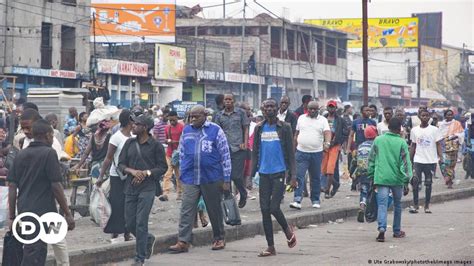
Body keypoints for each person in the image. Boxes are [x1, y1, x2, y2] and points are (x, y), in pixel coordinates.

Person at [7, 119, 75, 265]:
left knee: (34, 248)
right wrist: (68, 213)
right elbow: (56, 186)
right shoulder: (49, 153)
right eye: (51, 136)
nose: (52, 139)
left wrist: (12, 216)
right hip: (46, 211)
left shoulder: (20, 155)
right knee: (35, 252)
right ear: (47, 135)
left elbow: (12, 187)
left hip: (25, 210)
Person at [168, 105, 231, 253]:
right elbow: (182, 152)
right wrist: (182, 172)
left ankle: (219, 238)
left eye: (196, 116)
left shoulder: (216, 130)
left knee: (214, 209)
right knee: (186, 209)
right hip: (190, 177)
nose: (193, 119)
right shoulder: (187, 130)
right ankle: (183, 241)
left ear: (205, 115)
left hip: (211, 177)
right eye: (191, 116)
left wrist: (227, 179)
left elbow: (225, 155)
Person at [118, 114, 167, 264]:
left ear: (145, 127)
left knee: (141, 222)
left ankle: (140, 258)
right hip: (130, 188)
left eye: (136, 124)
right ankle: (148, 239)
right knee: (129, 223)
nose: (133, 126)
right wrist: (132, 172)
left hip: (148, 188)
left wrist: (146, 173)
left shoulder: (156, 145)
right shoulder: (129, 143)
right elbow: (120, 164)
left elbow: (162, 167)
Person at [251, 98, 297, 257]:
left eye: (272, 106)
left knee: (274, 207)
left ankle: (286, 229)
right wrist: (250, 176)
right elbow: (255, 153)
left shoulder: (285, 127)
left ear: (277, 109)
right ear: (262, 110)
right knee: (264, 210)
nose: (269, 109)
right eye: (266, 107)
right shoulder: (258, 128)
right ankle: (271, 246)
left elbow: (291, 153)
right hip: (264, 173)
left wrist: (293, 176)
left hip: (279, 172)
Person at [368, 118, 412, 242]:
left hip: (381, 178)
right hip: (397, 179)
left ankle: (382, 228)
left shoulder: (378, 140)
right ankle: (397, 230)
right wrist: (406, 181)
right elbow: (405, 164)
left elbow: (371, 159)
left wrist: (371, 175)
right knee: (397, 205)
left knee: (382, 204)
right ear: (399, 129)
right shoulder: (401, 142)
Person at [96, 110, 133, 241]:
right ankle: (115, 232)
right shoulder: (116, 137)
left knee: (129, 204)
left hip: (130, 174)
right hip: (117, 175)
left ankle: (127, 231)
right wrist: (101, 176)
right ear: (129, 121)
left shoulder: (134, 136)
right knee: (117, 204)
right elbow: (108, 158)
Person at [290, 101, 331, 209]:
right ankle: (297, 199)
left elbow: (327, 133)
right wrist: (293, 149)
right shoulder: (301, 118)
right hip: (301, 152)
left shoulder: (323, 120)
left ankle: (315, 200)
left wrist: (327, 143)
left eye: (314, 109)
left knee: (315, 177)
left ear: (318, 110)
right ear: (307, 109)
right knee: (299, 176)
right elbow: (296, 134)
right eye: (310, 109)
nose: (312, 111)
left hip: (316, 153)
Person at [214, 94, 249, 208]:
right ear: (223, 102)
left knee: (236, 176)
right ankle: (229, 201)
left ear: (234, 101)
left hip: (238, 148)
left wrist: (245, 142)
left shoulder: (241, 113)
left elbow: (246, 128)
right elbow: (216, 132)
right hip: (224, 150)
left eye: (230, 99)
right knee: (225, 177)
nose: (228, 101)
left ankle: (243, 193)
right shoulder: (219, 115)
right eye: (226, 100)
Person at [409, 109, 443, 214]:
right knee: (415, 182)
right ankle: (415, 205)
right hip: (418, 160)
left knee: (428, 183)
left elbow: (438, 144)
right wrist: (410, 159)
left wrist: (440, 156)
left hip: (430, 160)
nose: (425, 117)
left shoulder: (434, 130)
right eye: (423, 115)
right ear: (419, 116)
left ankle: (427, 205)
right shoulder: (414, 130)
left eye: (427, 116)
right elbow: (413, 145)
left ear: (429, 117)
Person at [346, 105, 377, 191]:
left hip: (370, 147)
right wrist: (348, 148)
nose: (368, 112)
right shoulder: (356, 122)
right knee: (354, 165)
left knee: (366, 166)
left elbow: (376, 135)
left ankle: (365, 184)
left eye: (369, 110)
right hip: (357, 147)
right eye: (366, 110)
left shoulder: (372, 122)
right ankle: (354, 182)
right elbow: (351, 135)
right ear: (361, 111)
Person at [71, 118, 112, 182]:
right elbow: (110, 156)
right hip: (106, 168)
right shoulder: (110, 137)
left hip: (94, 167)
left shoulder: (93, 137)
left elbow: (86, 153)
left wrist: (78, 165)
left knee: (96, 188)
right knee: (104, 189)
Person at [353, 125, 377, 223]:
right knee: (373, 192)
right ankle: (371, 212)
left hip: (362, 172)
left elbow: (356, 160)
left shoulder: (361, 146)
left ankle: (362, 206)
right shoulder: (376, 145)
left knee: (364, 191)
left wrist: (355, 172)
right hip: (372, 172)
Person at [322, 100, 345, 198]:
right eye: (330, 107)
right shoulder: (323, 119)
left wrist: (339, 142)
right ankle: (335, 184)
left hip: (334, 146)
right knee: (323, 169)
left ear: (336, 108)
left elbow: (345, 133)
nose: (331, 108)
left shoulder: (340, 120)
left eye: (333, 107)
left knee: (330, 168)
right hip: (324, 145)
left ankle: (327, 190)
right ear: (327, 108)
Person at [160, 110, 185, 201]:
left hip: (179, 154)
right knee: (167, 174)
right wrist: (167, 141)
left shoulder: (182, 127)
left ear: (176, 117)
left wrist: (175, 142)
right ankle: (165, 193)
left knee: (179, 175)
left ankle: (180, 193)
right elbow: (165, 139)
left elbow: (184, 141)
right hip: (170, 154)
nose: (172, 122)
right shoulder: (167, 128)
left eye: (173, 120)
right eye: (170, 120)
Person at [438, 109, 465, 188]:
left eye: (451, 114)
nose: (449, 116)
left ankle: (450, 181)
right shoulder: (441, 125)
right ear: (445, 115)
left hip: (453, 147)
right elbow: (438, 136)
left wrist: (456, 136)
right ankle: (447, 178)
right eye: (448, 114)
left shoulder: (457, 123)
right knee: (443, 163)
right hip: (443, 147)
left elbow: (462, 134)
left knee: (451, 165)